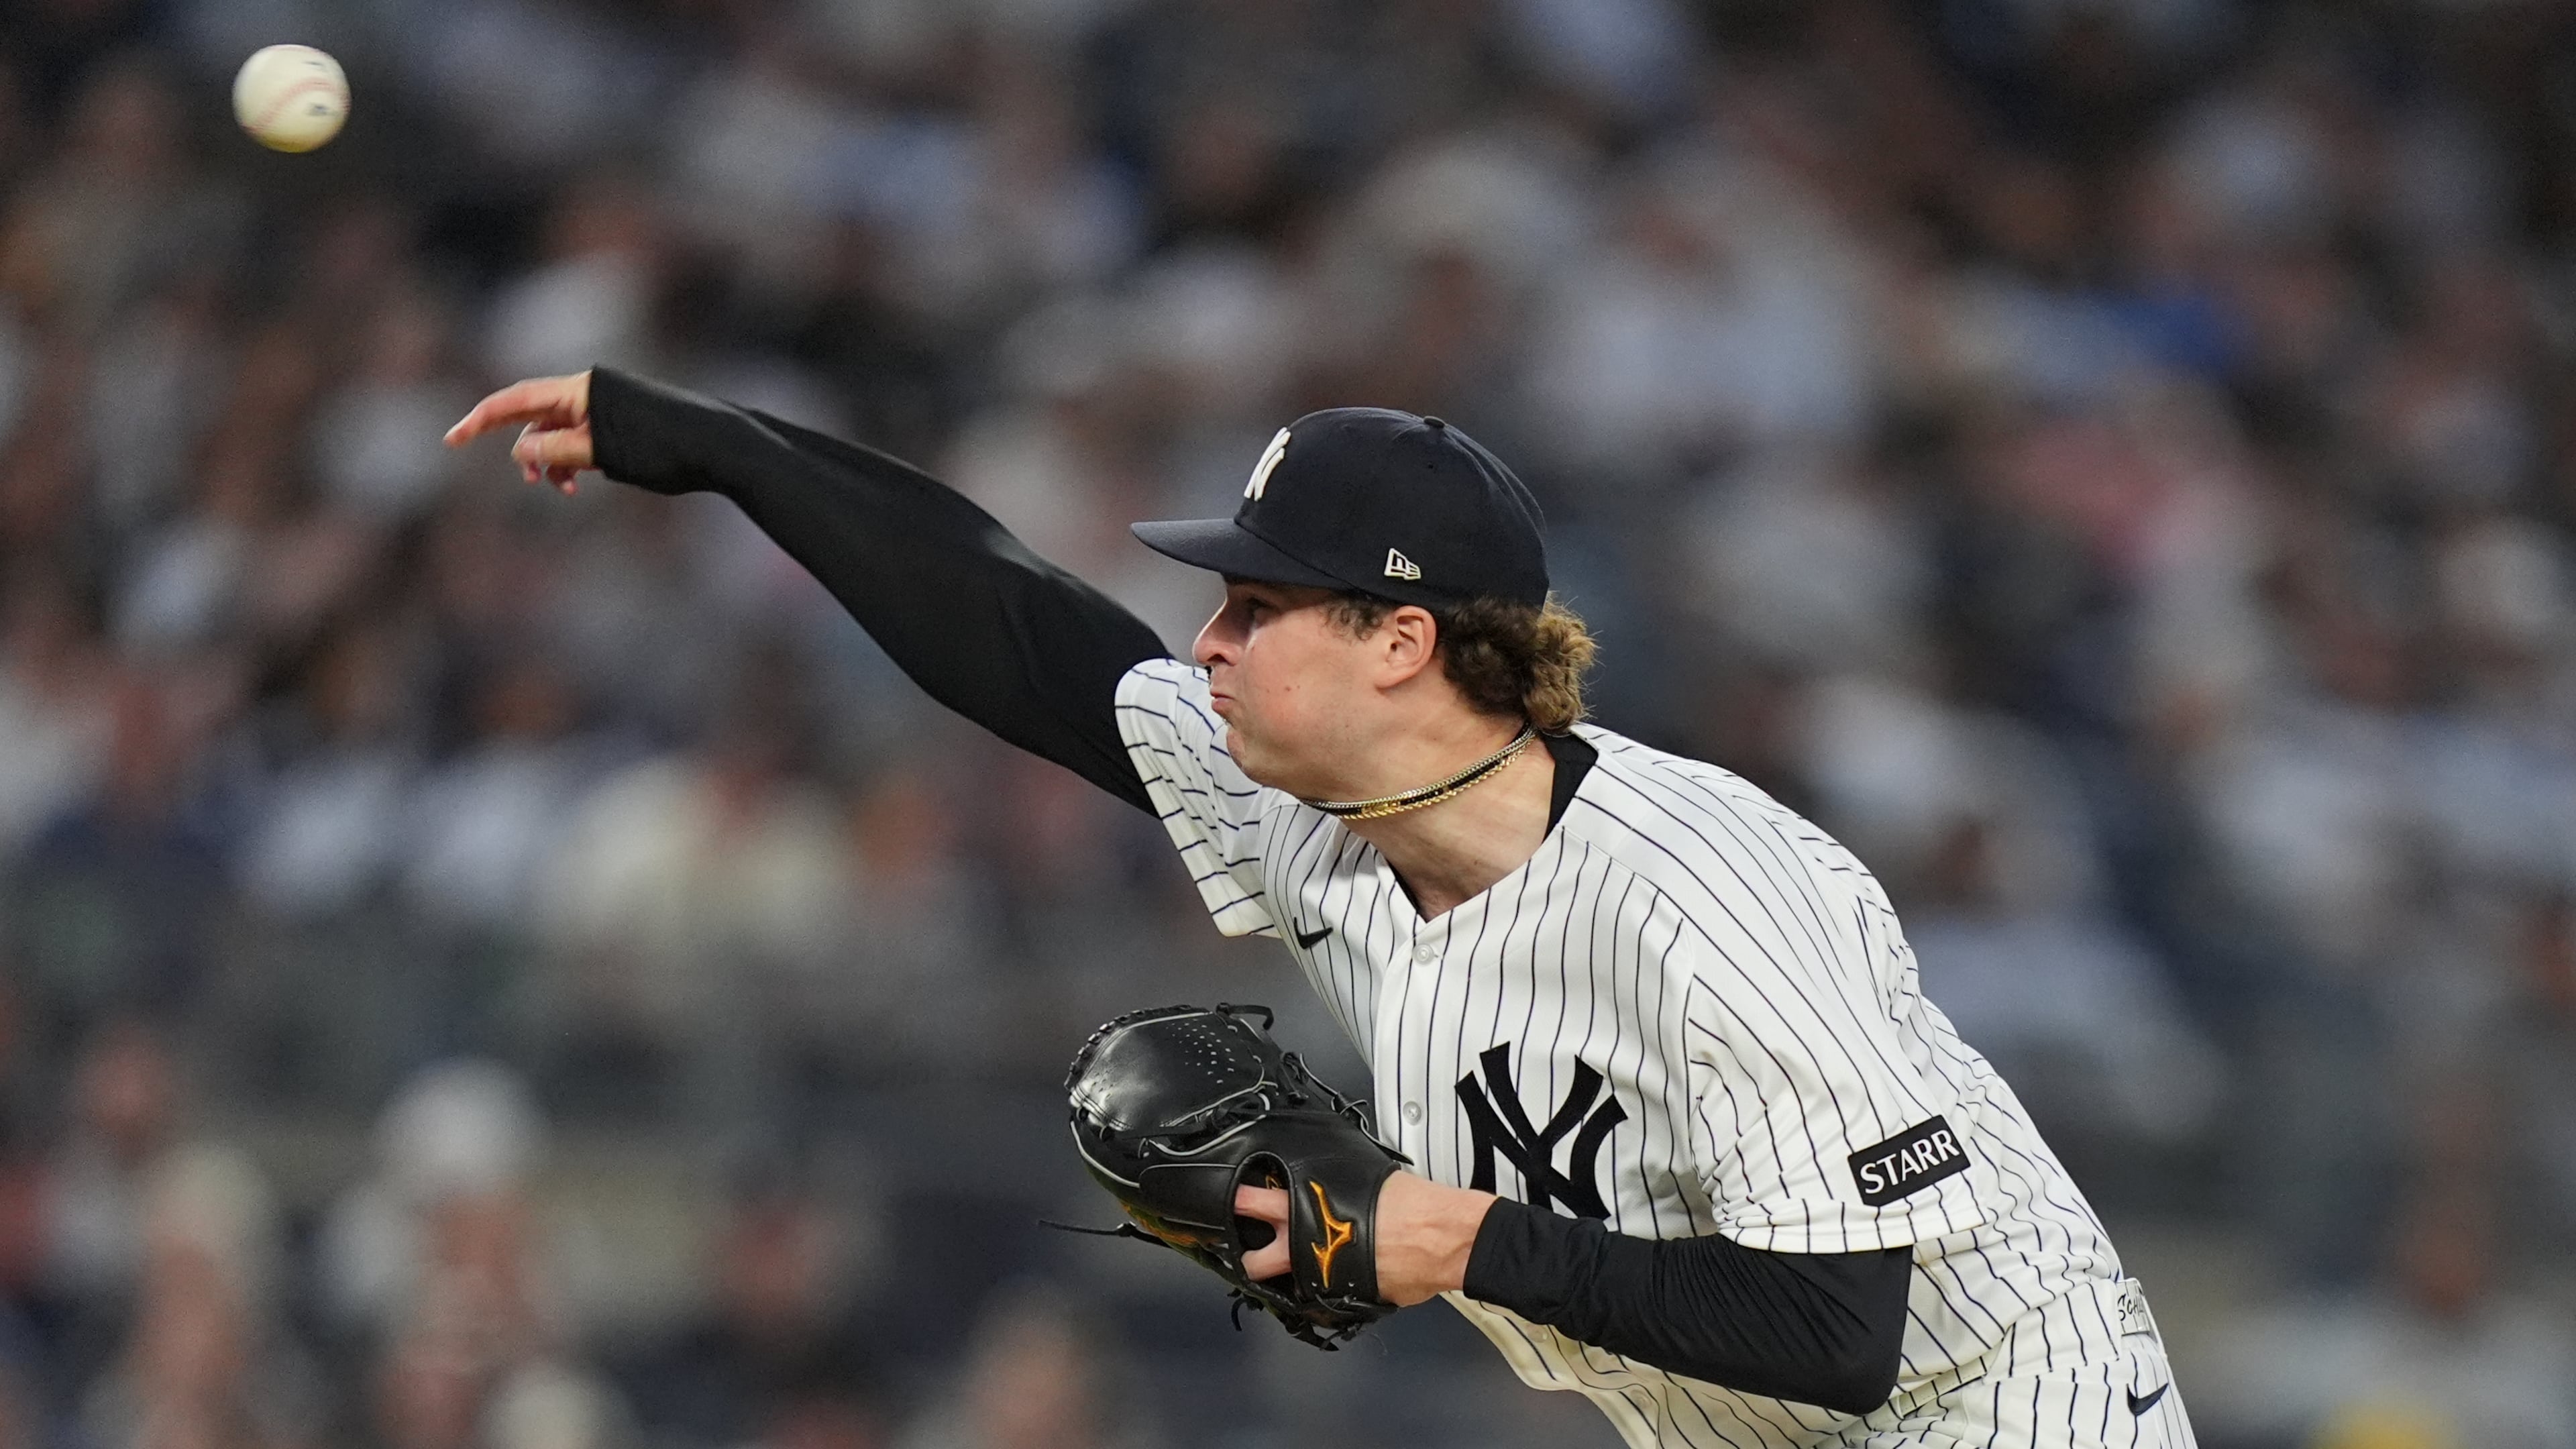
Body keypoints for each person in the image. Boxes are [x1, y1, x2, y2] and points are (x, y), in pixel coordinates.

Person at [446, 370, 2196, 1449]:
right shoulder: (1327, 814)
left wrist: (1450, 1240)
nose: (1205, 642)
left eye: (1255, 604)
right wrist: (709, 441)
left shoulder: (1712, 900)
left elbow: (1847, 1333)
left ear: (1401, 641)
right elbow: (1023, 634)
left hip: (2001, 1412)